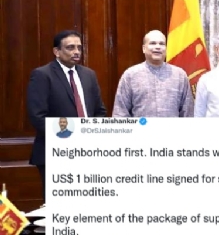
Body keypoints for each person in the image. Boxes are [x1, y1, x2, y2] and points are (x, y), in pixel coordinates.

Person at [27, 30, 107, 200]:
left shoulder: (89, 75)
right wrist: (71, 138)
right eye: (70, 48)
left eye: (79, 47)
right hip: (56, 152)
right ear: (57, 51)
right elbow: (37, 116)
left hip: (87, 151)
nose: (76, 52)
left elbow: (99, 111)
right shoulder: (42, 75)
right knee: (60, 204)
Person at [112, 30, 193, 117]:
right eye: (153, 43)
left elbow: (188, 113)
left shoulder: (180, 76)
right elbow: (120, 113)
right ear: (144, 48)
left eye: (161, 44)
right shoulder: (130, 75)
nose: (158, 47)